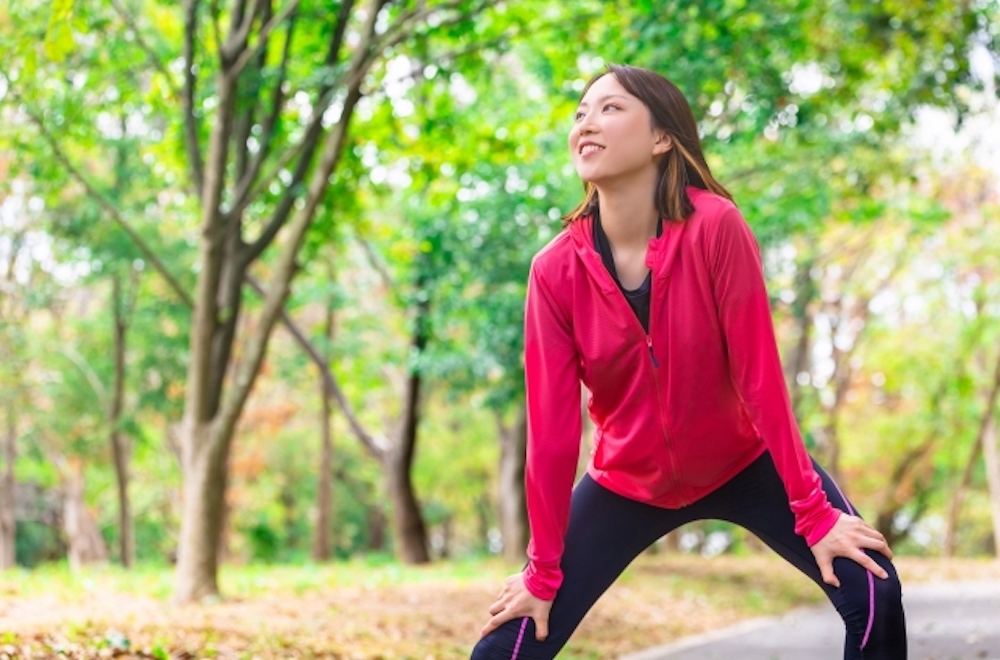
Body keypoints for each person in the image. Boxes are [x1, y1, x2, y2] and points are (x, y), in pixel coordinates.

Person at [470, 64, 906, 660]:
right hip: (626, 480)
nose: (586, 122)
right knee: (503, 649)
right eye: (580, 113)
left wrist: (813, 511)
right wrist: (542, 572)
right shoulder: (554, 271)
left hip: (745, 462)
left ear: (661, 138)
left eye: (609, 108)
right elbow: (551, 433)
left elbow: (760, 378)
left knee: (874, 590)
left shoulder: (716, 227)